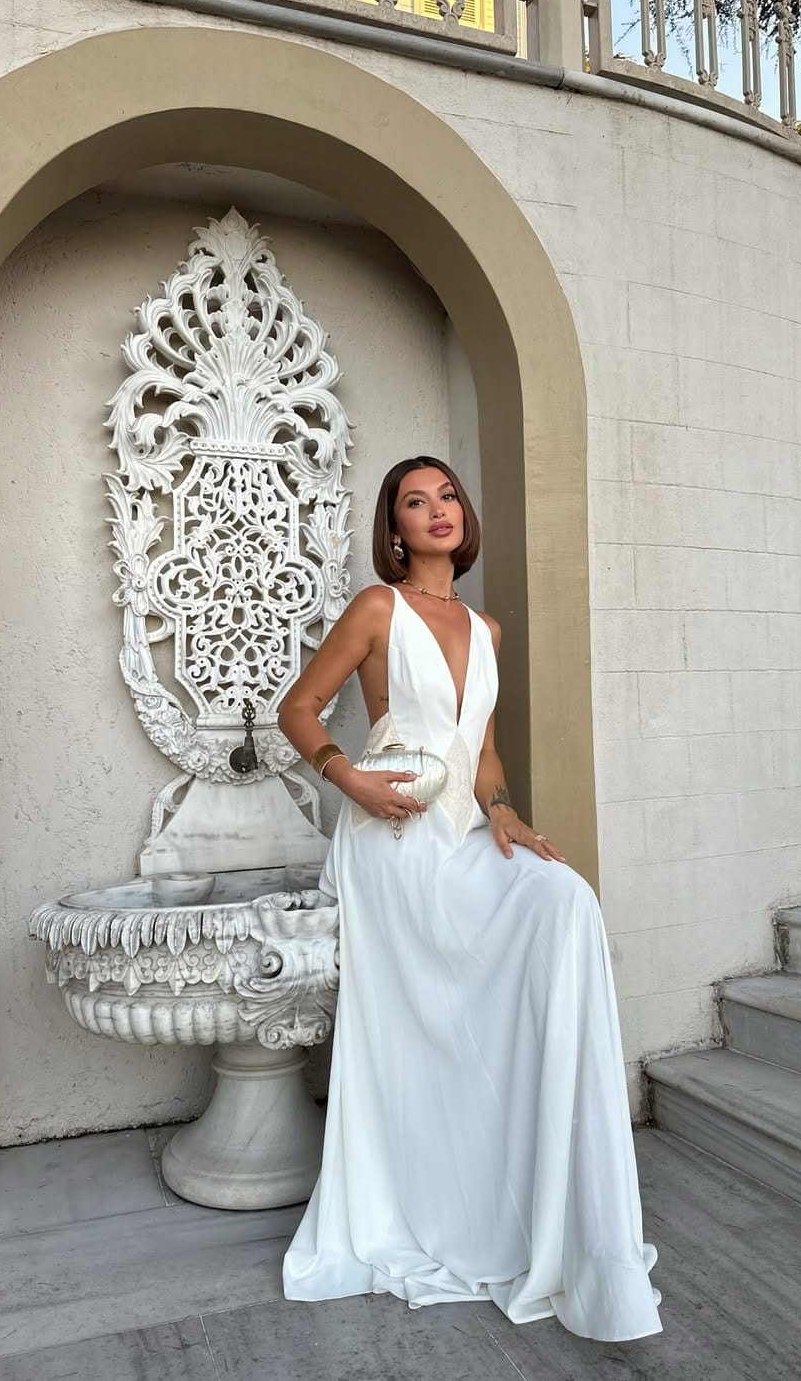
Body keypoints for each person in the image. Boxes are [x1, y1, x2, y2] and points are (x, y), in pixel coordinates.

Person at [277, 455, 662, 1342]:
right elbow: (299, 709)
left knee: (565, 900)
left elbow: (480, 753)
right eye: (416, 502)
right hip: (391, 836)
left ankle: (553, 1194)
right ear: (396, 528)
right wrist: (350, 780)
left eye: (447, 495)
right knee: (436, 1013)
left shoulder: (486, 628)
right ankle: (435, 1196)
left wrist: (507, 811)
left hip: (461, 829)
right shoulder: (378, 608)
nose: (437, 509)